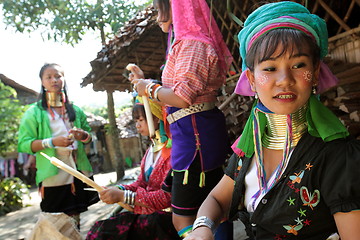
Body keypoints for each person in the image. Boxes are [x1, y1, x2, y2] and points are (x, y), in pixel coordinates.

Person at [185, 1, 360, 240]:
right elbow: (217, 198)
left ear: (316, 71)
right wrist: (202, 228)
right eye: (269, 68)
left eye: (299, 65)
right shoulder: (249, 148)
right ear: (252, 79)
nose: (284, 80)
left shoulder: (337, 157)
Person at [128, 0, 234, 238]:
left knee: (183, 217)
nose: (157, 17)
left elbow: (181, 97)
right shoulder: (186, 43)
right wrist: (145, 84)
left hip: (195, 143)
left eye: (159, 9)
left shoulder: (192, 44)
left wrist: (150, 88)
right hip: (196, 137)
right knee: (214, 204)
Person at [86, 97, 180, 240]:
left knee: (104, 233)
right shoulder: (151, 151)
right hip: (149, 214)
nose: (137, 125)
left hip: (165, 218)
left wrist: (124, 197)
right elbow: (141, 183)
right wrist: (120, 190)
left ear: (156, 117)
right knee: (98, 228)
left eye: (140, 120)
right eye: (135, 121)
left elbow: (167, 197)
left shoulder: (173, 152)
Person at [18, 63, 98, 230]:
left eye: (58, 76)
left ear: (64, 79)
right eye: (49, 77)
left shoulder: (75, 110)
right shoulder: (34, 113)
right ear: (42, 82)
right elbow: (24, 144)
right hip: (53, 177)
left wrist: (82, 135)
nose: (54, 80)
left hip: (77, 171)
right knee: (55, 223)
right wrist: (52, 142)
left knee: (75, 221)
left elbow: (90, 137)